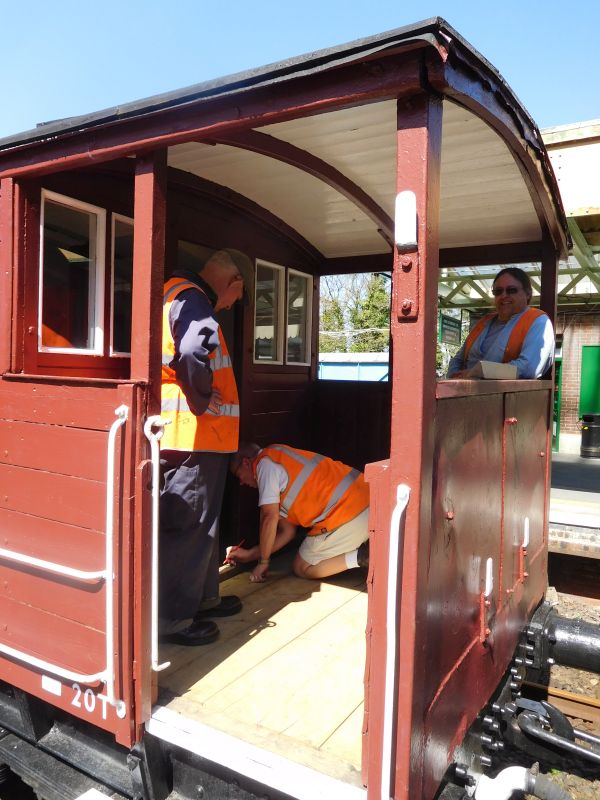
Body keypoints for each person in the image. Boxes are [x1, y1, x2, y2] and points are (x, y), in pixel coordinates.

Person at [159, 248, 254, 646]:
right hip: (192, 437)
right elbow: (192, 351)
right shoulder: (194, 299)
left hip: (198, 440)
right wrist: (201, 397)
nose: (231, 305)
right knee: (190, 528)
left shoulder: (176, 294)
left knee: (203, 526)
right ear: (233, 282)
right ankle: (174, 620)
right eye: (237, 297)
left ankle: (201, 599)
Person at [228, 442, 370, 583]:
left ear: (246, 463)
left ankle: (362, 556)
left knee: (302, 567)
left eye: (237, 474)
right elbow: (287, 532)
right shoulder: (277, 454)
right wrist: (249, 555)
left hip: (350, 515)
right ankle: (363, 546)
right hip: (370, 498)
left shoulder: (264, 466)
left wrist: (263, 562)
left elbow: (269, 517)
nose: (241, 482)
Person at [447, 267, 555, 379]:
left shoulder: (539, 321)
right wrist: (453, 377)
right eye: (498, 292)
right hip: (461, 391)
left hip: (505, 395)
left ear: (528, 294)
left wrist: (477, 372)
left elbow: (529, 368)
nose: (503, 296)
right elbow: (458, 359)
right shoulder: (484, 322)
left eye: (511, 290)